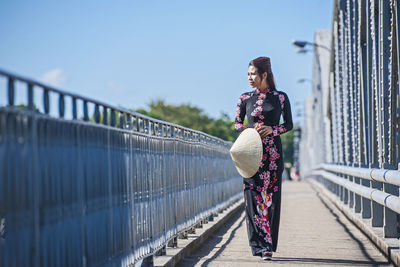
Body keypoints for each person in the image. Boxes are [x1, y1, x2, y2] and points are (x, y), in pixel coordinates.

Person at [234, 56, 293, 260]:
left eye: (253, 74)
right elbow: (236, 124)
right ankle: (258, 246)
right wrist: (251, 130)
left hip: (273, 157)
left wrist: (272, 129)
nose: (250, 77)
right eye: (248, 74)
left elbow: (289, 125)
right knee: (252, 200)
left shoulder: (280, 98)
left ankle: (268, 244)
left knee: (271, 201)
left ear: (264, 74)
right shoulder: (245, 98)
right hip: (251, 156)